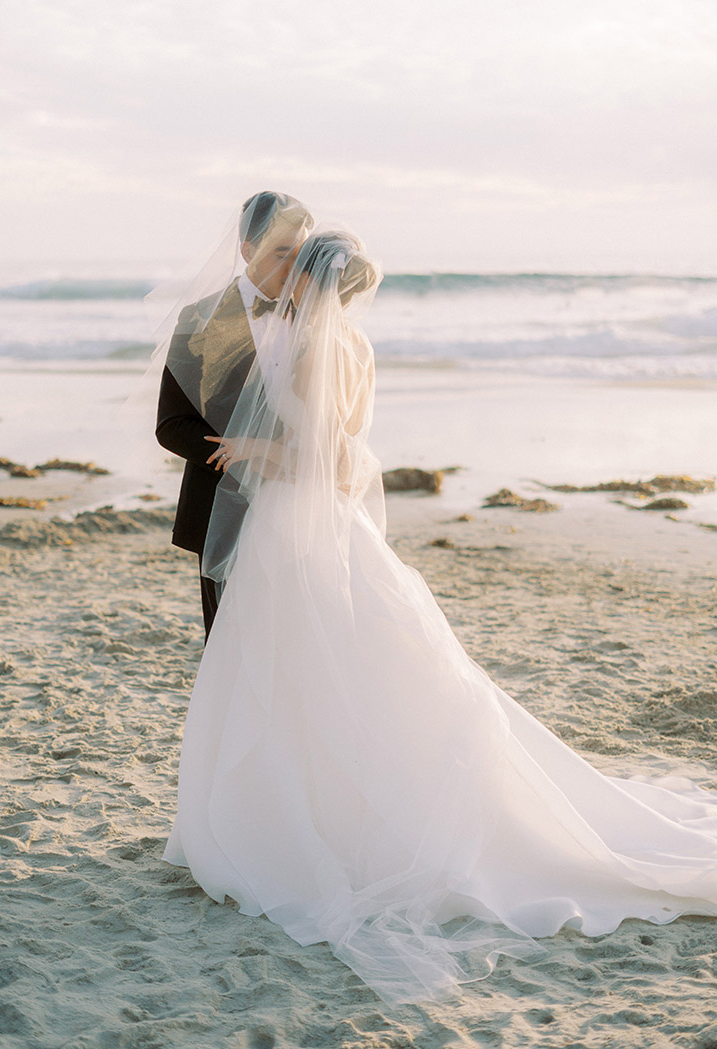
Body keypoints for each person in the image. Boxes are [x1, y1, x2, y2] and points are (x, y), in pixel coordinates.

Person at [161, 229, 717, 1006]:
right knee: (330, 667)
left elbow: (318, 452)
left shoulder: (318, 347)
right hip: (326, 522)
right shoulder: (356, 344)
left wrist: (255, 445)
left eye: (298, 265)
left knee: (289, 668)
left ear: (315, 281)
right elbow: (353, 448)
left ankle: (300, 816)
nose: (285, 276)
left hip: (296, 520)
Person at [155, 191, 313, 637]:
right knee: (228, 643)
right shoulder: (200, 320)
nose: (294, 266)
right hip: (222, 510)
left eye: (302, 253)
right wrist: (241, 456)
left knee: (295, 641)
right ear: (247, 251)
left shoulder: (314, 320)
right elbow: (170, 426)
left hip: (298, 506)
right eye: (283, 252)